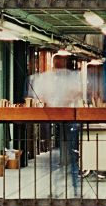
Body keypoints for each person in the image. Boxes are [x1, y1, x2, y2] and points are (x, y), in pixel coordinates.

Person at [29, 53, 84, 193]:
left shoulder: (55, 78)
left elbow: (77, 93)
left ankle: (68, 186)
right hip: (60, 120)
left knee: (69, 153)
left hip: (65, 120)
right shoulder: (51, 78)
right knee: (65, 153)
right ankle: (67, 186)